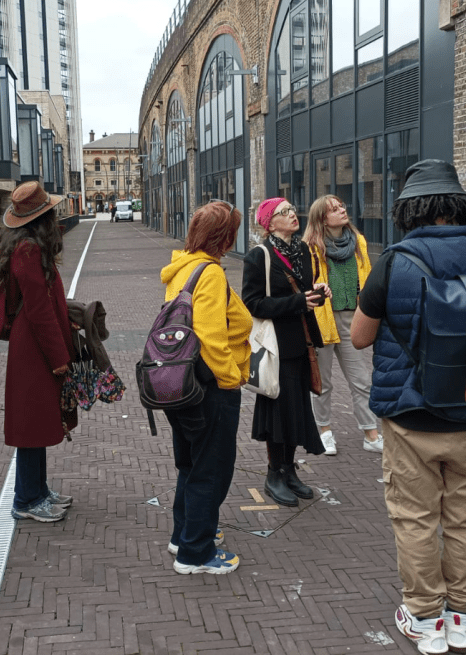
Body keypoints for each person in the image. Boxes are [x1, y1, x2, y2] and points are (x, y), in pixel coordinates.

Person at [350, 160, 466, 655]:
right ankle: (462, 616)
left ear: (409, 210)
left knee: (414, 518)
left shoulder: (394, 262)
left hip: (410, 416)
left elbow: (359, 338)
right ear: (461, 206)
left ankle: (424, 619)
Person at [159, 200, 252, 574]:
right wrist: (232, 379)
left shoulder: (181, 269)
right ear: (224, 238)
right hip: (208, 388)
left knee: (190, 465)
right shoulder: (210, 274)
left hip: (178, 384)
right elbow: (212, 338)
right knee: (210, 469)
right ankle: (196, 554)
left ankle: (184, 534)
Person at [0, 181, 77, 523]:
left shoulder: (23, 246)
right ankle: (26, 499)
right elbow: (38, 310)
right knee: (31, 426)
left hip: (32, 345)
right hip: (34, 349)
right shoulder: (28, 250)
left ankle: (37, 490)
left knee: (37, 422)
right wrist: (59, 359)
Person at [241, 198, 329, 507]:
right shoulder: (258, 257)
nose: (293, 214)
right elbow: (252, 304)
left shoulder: (302, 251)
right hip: (275, 346)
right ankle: (273, 474)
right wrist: (297, 303)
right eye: (284, 212)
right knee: (278, 413)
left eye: (293, 209)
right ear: (269, 223)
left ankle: (290, 471)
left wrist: (318, 289)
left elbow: (301, 289)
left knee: (295, 410)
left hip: (301, 343)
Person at [303, 195, 382, 456]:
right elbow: (305, 284)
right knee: (322, 383)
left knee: (361, 379)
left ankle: (371, 434)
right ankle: (324, 431)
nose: (342, 210)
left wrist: (368, 310)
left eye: (342, 206)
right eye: (334, 209)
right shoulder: (311, 246)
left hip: (352, 318)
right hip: (322, 320)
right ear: (322, 219)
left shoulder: (358, 241)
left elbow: (367, 277)